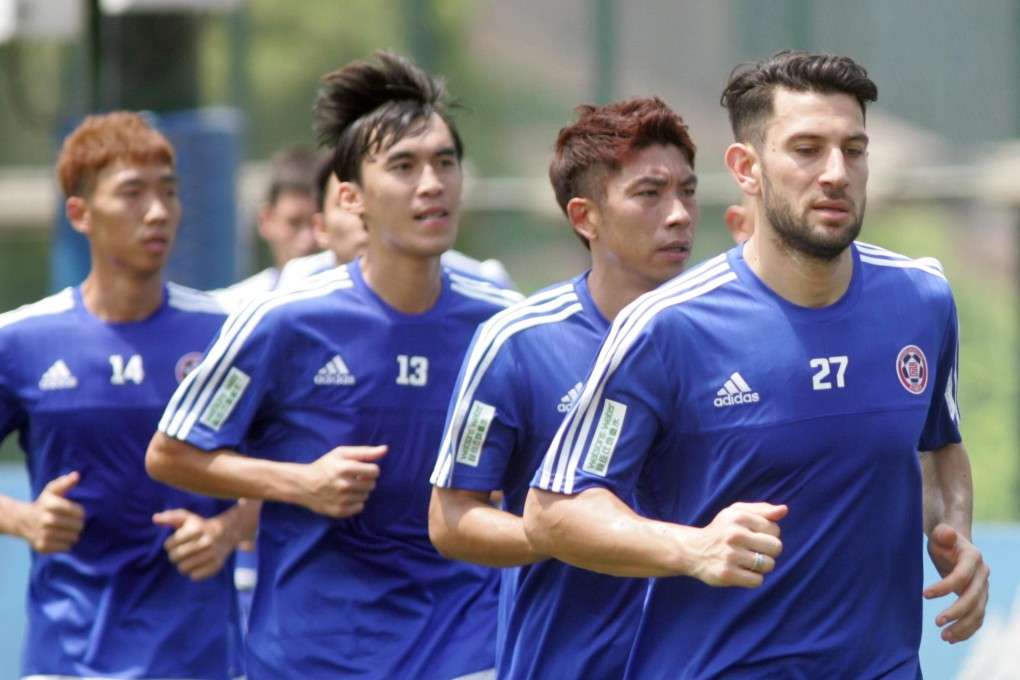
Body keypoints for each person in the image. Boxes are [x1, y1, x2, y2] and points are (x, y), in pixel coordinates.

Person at [523, 49, 989, 678]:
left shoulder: (922, 300)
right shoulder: (666, 327)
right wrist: (693, 548)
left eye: (854, 150)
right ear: (747, 168)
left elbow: (940, 447)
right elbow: (556, 512)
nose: (836, 173)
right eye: (806, 149)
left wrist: (954, 534)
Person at [146, 50, 522, 679]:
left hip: (466, 649)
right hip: (314, 655)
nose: (431, 184)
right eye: (403, 167)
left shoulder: (504, 324)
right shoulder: (283, 321)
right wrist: (300, 483)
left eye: (445, 163)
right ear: (351, 198)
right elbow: (171, 453)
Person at [429, 97, 699, 678]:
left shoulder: (728, 334)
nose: (678, 214)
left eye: (688, 191)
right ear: (585, 217)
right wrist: (571, 533)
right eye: (649, 194)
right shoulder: (515, 343)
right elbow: (451, 519)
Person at [0, 111, 250, 679]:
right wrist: (23, 519)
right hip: (66, 660)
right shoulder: (21, 340)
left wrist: (227, 531)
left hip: (203, 660)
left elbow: (289, 471)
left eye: (169, 192)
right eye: (132, 194)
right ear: (79, 214)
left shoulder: (228, 334)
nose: (158, 211)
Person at [278, 150, 517, 290]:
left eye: (444, 163)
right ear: (322, 227)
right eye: (348, 203)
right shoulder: (294, 291)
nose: (364, 217)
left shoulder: (486, 285)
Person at [212, 144, 321, 307]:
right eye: (293, 223)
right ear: (266, 220)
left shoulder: (357, 303)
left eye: (317, 223)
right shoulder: (235, 307)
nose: (307, 239)